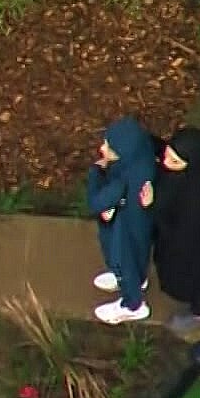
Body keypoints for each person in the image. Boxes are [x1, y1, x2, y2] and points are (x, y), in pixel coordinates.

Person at [145, 126, 200, 334]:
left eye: (174, 162)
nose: (166, 163)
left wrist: (151, 206)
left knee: (196, 283)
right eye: (167, 156)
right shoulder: (190, 174)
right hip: (182, 243)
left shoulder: (197, 201)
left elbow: (176, 229)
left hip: (190, 251)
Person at [87, 115, 156, 325]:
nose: (103, 149)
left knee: (122, 259)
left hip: (123, 227)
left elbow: (96, 202)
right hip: (141, 223)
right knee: (138, 255)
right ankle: (139, 280)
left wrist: (95, 172)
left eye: (109, 147)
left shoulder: (123, 181)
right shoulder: (143, 160)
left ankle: (132, 305)